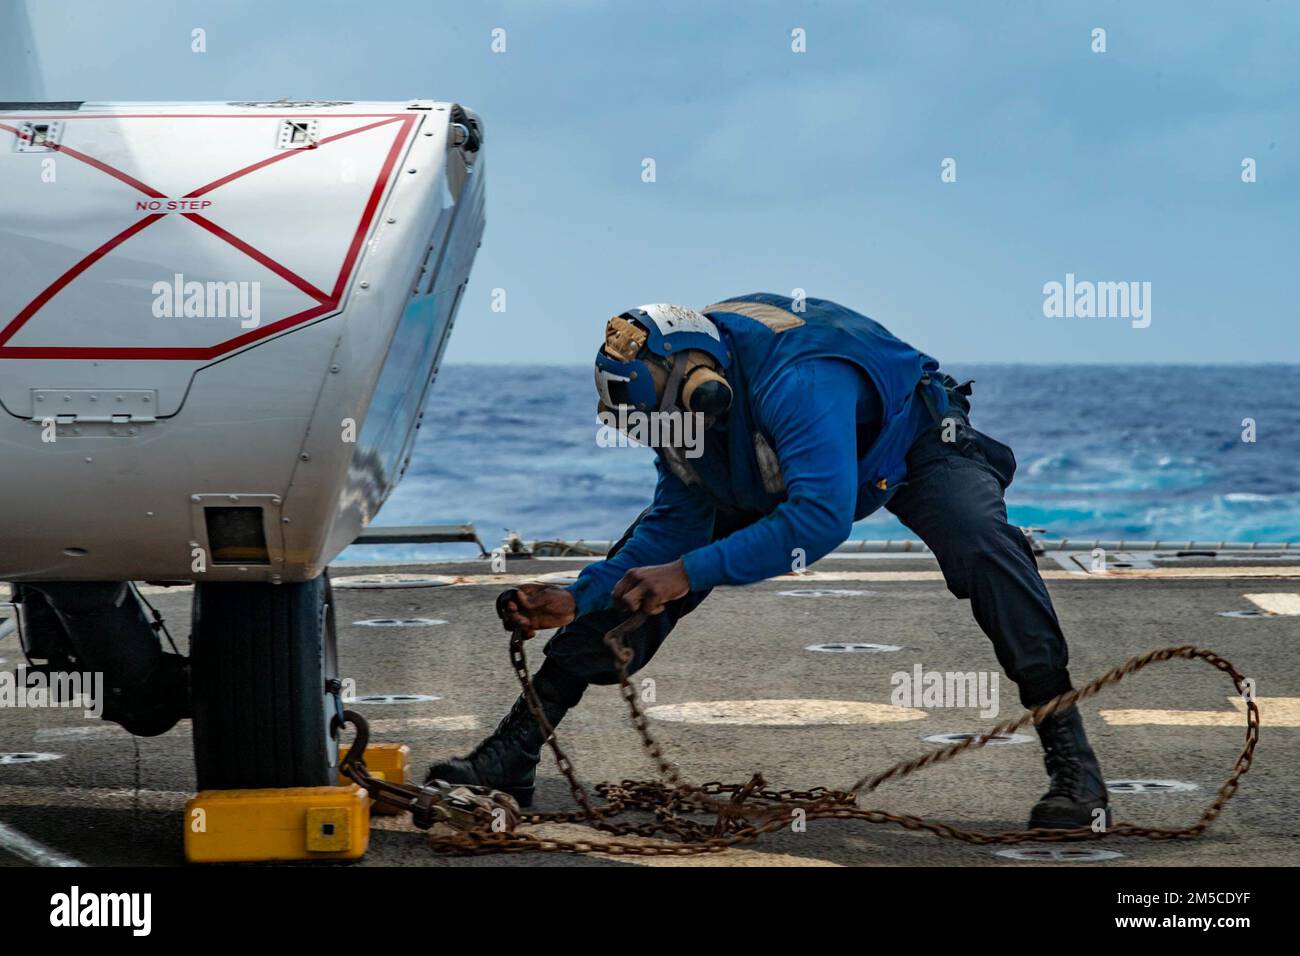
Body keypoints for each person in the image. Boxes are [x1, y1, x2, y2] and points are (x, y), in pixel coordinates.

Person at [427, 294, 1111, 830]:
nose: (668, 444)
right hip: (769, 457)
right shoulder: (684, 396)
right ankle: (514, 752)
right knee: (638, 584)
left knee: (981, 544)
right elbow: (672, 525)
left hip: (909, 442)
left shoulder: (797, 380)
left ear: (704, 389)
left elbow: (818, 518)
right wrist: (582, 595)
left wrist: (687, 572)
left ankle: (1074, 767)